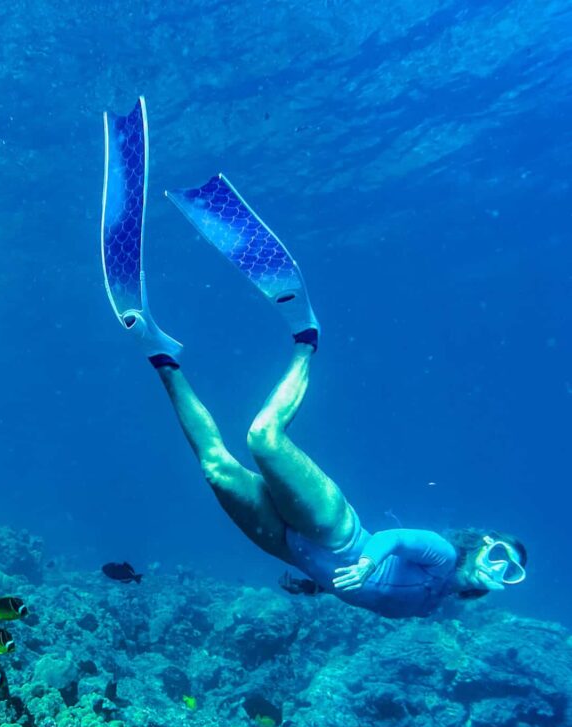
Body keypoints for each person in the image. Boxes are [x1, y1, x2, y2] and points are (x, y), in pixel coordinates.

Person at [101, 99, 527, 620]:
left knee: (215, 468)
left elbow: (372, 593)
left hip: (291, 550)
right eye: (501, 555)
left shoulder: (439, 606)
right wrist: (367, 562)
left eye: (510, 572)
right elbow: (395, 538)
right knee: (263, 437)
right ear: (483, 543)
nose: (498, 570)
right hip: (336, 531)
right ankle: (306, 337)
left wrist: (321, 587)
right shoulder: (440, 557)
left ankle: (161, 356)